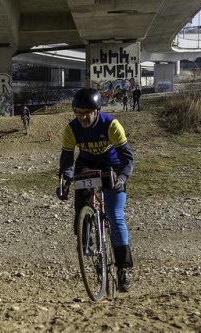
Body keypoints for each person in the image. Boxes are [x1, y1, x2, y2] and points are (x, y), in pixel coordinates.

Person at [57, 88, 134, 292]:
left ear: (97, 111)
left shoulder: (111, 125)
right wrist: (64, 181)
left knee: (115, 216)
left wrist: (123, 178)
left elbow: (127, 158)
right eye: (78, 112)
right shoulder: (71, 129)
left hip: (113, 166)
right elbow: (66, 161)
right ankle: (86, 246)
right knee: (80, 207)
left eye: (86, 113)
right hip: (87, 165)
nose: (82, 117)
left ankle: (123, 269)